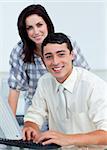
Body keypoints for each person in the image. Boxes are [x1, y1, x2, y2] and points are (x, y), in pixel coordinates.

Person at [23, 33, 107, 148]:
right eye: (48, 56)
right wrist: (30, 127)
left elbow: (105, 134)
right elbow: (35, 114)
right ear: (43, 60)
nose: (55, 62)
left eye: (61, 54)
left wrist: (68, 139)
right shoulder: (45, 82)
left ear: (72, 55)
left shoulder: (93, 86)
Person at [8, 4, 90, 123]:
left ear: (47, 24)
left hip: (68, 105)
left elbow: (84, 76)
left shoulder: (66, 43)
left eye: (39, 25)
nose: (36, 31)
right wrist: (11, 127)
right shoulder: (19, 51)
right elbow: (14, 90)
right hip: (36, 108)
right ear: (24, 31)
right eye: (29, 28)